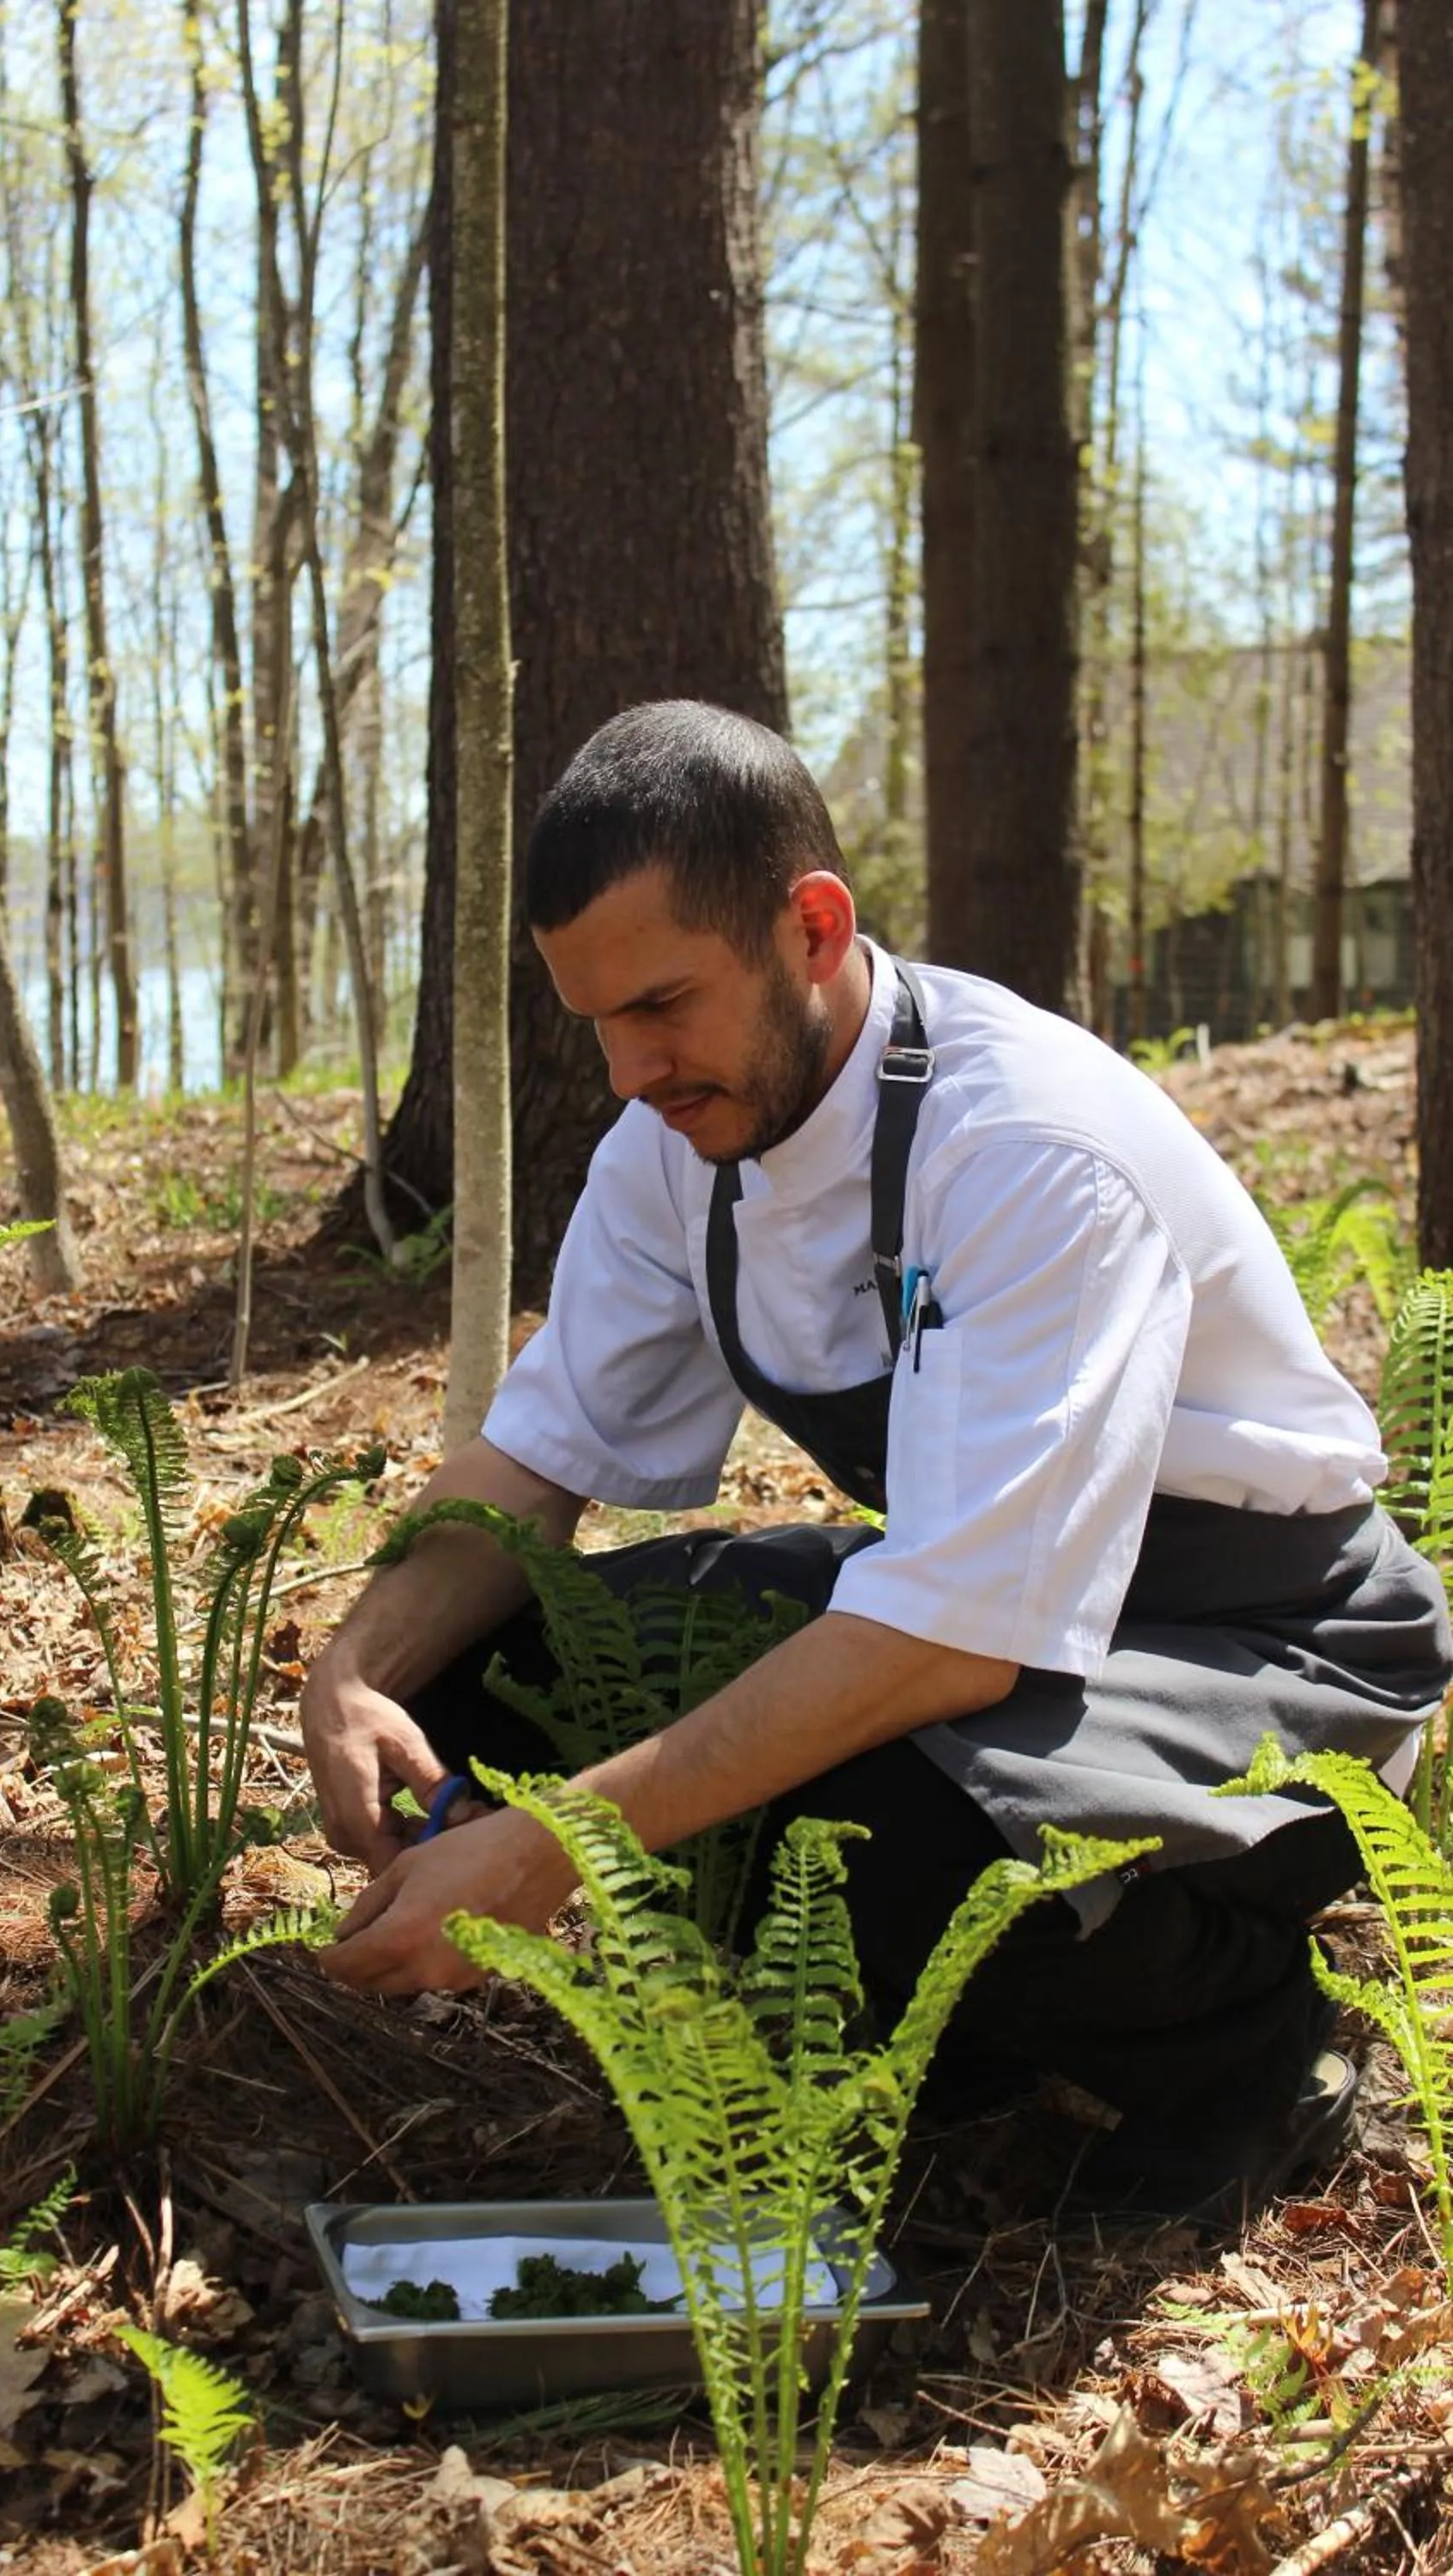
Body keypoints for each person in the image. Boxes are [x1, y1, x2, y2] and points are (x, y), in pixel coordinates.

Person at [301, 700, 1451, 2223]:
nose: (631, 1068)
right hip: (991, 1603)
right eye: (597, 1022)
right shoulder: (672, 1144)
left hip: (1261, 1642)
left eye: (664, 1005)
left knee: (904, 1827)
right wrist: (355, 1668)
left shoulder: (1026, 1150)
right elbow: (530, 1462)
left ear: (814, 928)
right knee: (489, 1675)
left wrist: (560, 1844)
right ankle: (949, 2031)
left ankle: (1250, 2047)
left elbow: (951, 1640)